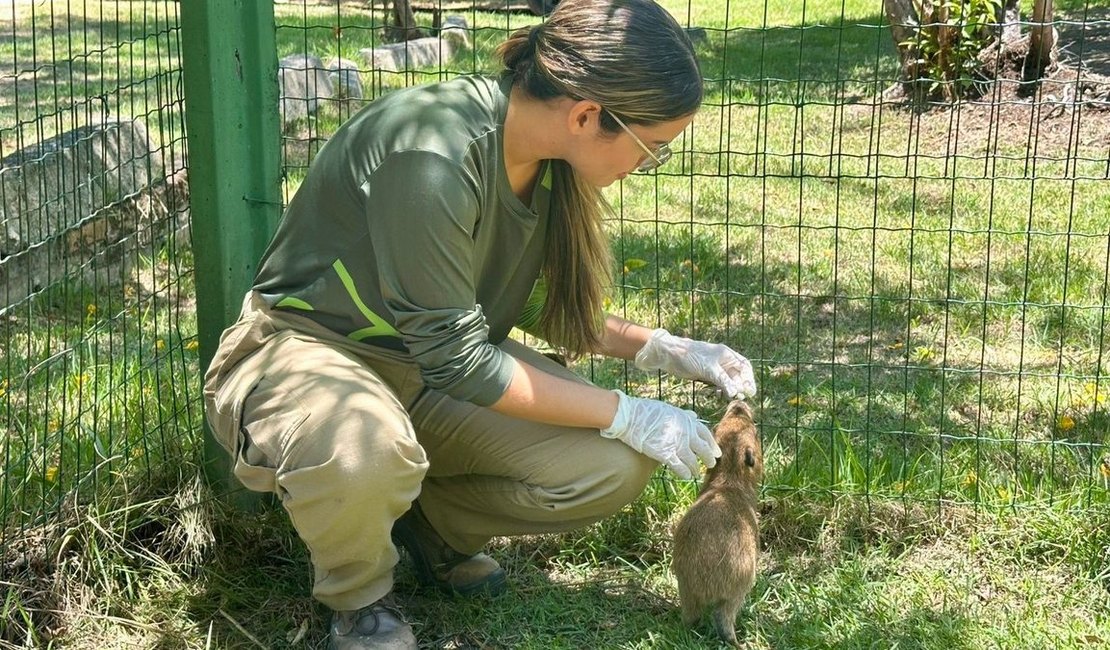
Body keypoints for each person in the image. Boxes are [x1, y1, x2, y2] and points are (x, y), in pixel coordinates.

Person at [202, 0, 757, 647]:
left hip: (423, 371)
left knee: (613, 465)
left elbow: (530, 305)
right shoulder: (433, 152)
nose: (647, 165)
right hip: (309, 354)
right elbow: (460, 359)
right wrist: (625, 410)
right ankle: (360, 600)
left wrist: (664, 349)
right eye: (652, 148)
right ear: (586, 116)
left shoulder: (546, 163)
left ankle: (424, 524)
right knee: (367, 450)